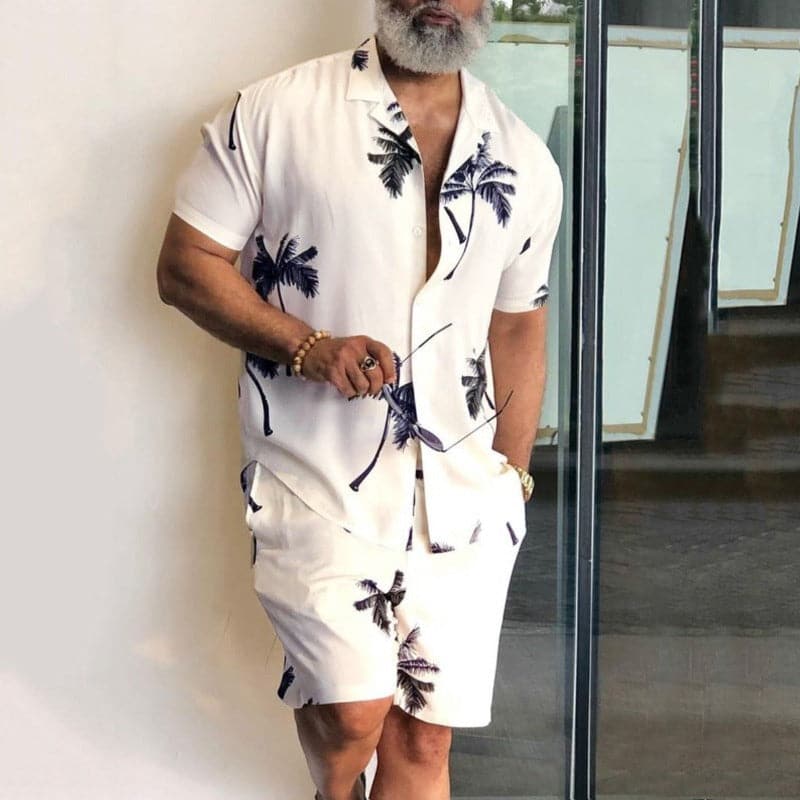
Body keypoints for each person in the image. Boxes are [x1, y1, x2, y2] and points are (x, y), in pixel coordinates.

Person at [156, 1, 563, 798]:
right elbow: (185, 264)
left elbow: (518, 325)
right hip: (315, 474)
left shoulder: (523, 157)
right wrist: (307, 346)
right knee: (352, 711)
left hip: (465, 496)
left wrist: (512, 479)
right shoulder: (275, 113)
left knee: (425, 739)